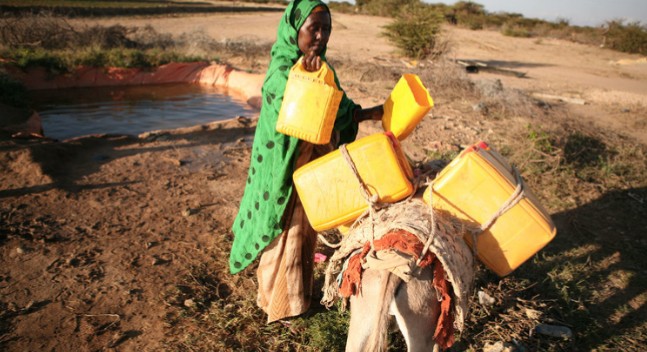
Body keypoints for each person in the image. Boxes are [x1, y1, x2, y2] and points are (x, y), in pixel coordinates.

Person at [229, 0, 383, 323]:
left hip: (310, 168)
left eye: (326, 29)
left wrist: (369, 113)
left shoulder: (322, 68)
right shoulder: (282, 71)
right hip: (283, 168)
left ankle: (299, 298)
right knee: (285, 231)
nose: (320, 37)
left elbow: (337, 105)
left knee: (304, 232)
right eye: (314, 28)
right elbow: (301, 107)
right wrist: (309, 81)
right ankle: (277, 303)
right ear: (294, 29)